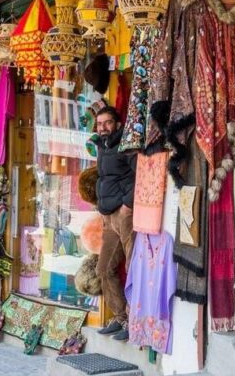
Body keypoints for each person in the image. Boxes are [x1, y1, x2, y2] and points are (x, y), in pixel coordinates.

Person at [93, 106, 136, 341]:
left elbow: (141, 175)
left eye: (107, 123)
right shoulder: (102, 146)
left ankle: (134, 320)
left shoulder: (126, 145)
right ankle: (120, 317)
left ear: (118, 124)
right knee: (104, 269)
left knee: (132, 267)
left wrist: (127, 206)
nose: (103, 128)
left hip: (124, 213)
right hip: (108, 216)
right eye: (99, 124)